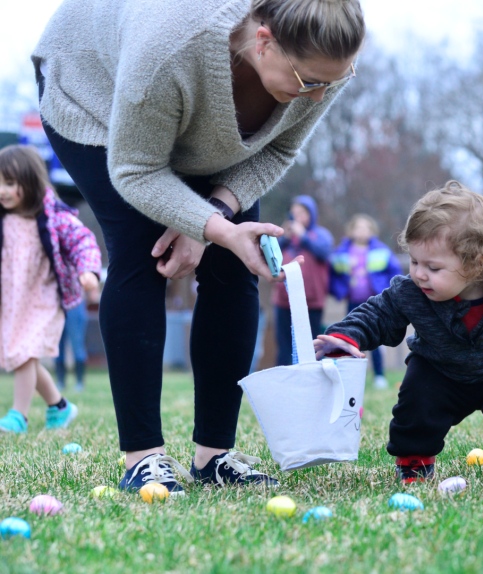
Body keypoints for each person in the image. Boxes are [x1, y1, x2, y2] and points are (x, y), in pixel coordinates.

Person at [33, 0, 364, 493]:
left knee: (235, 263)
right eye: (308, 82)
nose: (316, 97)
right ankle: (142, 458)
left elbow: (278, 149)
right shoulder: (167, 53)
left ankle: (214, 456)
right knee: (141, 251)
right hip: (93, 94)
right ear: (264, 40)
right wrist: (214, 226)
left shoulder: (320, 65)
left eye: (330, 83)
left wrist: (213, 219)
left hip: (197, 126)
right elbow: (137, 171)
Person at [313, 182, 483, 483]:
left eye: (432, 267)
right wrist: (346, 335)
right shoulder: (411, 290)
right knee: (416, 399)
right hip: (439, 366)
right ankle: (414, 462)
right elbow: (378, 313)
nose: (419, 273)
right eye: (415, 261)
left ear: (476, 263)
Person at [0, 145, 100, 433]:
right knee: (22, 355)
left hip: (44, 299)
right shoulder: (4, 219)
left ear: (30, 182)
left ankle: (19, 415)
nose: (3, 190)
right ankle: (60, 407)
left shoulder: (53, 216)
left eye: (10, 183)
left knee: (25, 352)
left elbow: (83, 241)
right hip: (13, 303)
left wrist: (88, 271)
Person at [328, 213, 402, 388]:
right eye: (357, 227)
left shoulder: (380, 251)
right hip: (352, 303)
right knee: (350, 336)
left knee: (375, 338)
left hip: (375, 303)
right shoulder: (341, 252)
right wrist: (339, 290)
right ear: (351, 231)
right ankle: (350, 376)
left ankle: (379, 375)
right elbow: (332, 274)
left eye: (365, 228)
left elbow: (395, 271)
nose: (361, 231)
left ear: (372, 231)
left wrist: (388, 290)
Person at [274, 195, 333, 366]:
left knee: (311, 344)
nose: (297, 217)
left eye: (302, 213)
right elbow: (271, 255)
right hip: (284, 301)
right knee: (284, 345)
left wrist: (304, 236)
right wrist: (284, 237)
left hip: (312, 301)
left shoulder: (321, 235)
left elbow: (323, 252)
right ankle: (285, 382)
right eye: (294, 213)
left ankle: (311, 382)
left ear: (311, 214)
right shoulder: (284, 237)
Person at [55, 301, 90, 392]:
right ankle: (60, 382)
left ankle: (79, 383)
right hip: (56, 305)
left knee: (77, 345)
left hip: (74, 304)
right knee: (57, 347)